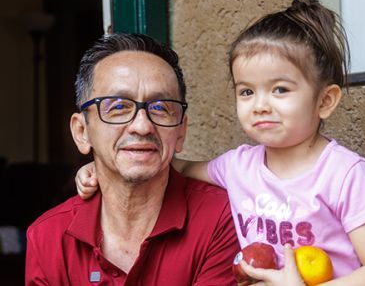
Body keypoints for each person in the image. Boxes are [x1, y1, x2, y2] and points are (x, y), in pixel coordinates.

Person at [76, 0, 365, 285]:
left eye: (280, 89)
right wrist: (103, 167)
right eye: (247, 91)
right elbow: (169, 164)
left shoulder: (345, 174)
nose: (260, 104)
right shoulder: (238, 167)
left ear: (325, 101)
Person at [25, 33, 240, 285]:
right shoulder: (48, 237)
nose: (142, 126)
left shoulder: (221, 217)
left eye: (160, 107)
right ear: (82, 132)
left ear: (180, 131)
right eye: (117, 106)